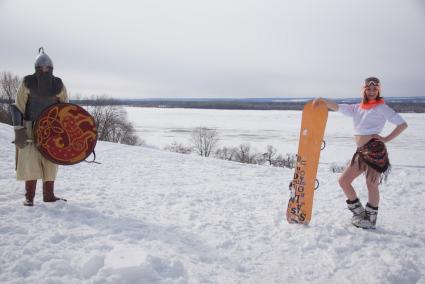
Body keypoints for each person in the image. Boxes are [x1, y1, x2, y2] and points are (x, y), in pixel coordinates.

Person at [313, 77, 408, 229]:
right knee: (344, 181)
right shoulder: (357, 107)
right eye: (368, 89)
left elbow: (403, 125)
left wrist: (386, 139)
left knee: (371, 185)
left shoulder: (382, 107)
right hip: (361, 151)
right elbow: (337, 107)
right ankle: (359, 214)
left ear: (378, 90)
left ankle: (370, 220)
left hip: (375, 150)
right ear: (363, 90)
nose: (371, 92)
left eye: (374, 89)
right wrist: (322, 100)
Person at [11, 47, 69, 206]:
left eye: (47, 67)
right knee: (30, 162)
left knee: (51, 161)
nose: (44, 69)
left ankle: (49, 195)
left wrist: (65, 130)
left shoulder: (58, 84)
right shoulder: (27, 82)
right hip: (30, 128)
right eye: (41, 67)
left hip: (51, 129)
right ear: (36, 68)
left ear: (51, 69)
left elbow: (66, 108)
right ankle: (29, 197)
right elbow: (18, 106)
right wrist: (19, 131)